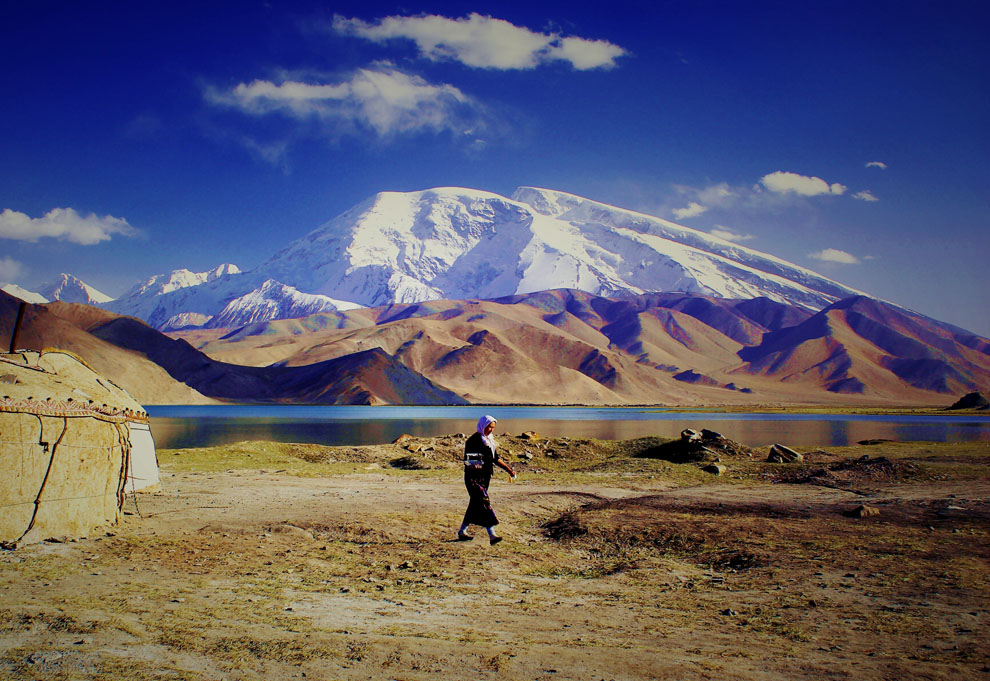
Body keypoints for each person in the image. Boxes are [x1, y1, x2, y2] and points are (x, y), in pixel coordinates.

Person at [457, 414, 515, 545]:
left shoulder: (489, 441)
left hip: (485, 478)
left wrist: (509, 469)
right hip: (473, 479)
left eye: (493, 428)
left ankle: (462, 531)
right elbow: (469, 460)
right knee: (484, 502)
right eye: (489, 427)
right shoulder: (473, 440)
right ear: (483, 425)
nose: (491, 430)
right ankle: (492, 534)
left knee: (475, 504)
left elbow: (495, 458)